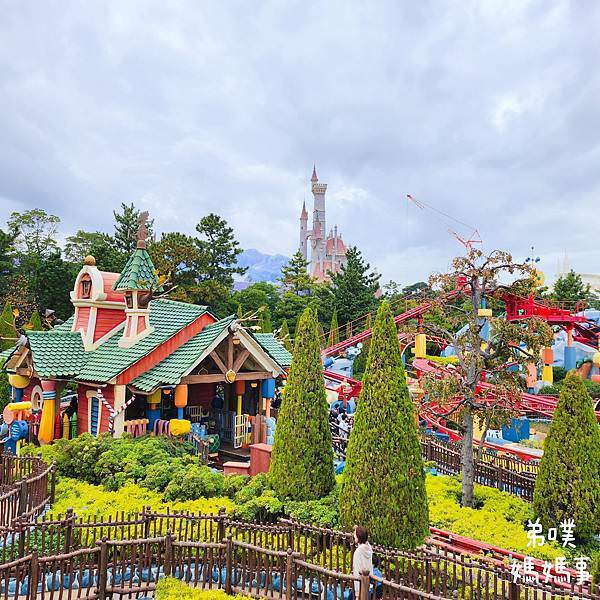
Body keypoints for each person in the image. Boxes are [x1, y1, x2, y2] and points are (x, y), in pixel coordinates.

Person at [352, 525, 373, 598]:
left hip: (361, 587)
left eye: (355, 535)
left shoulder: (358, 552)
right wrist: (357, 529)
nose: (354, 536)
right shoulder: (369, 548)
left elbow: (357, 571)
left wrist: (357, 593)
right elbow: (365, 541)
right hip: (369, 585)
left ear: (358, 537)